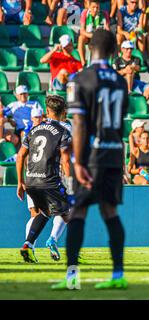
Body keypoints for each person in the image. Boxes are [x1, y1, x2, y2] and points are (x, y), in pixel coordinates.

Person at [52, 29, 129, 290]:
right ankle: (118, 275)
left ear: (90, 47)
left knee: (77, 212)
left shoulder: (80, 78)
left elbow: (80, 123)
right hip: (114, 153)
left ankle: (72, 278)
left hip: (91, 156)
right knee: (110, 212)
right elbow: (120, 123)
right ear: (113, 50)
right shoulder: (120, 81)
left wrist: (78, 161)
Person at [16, 95, 72, 264]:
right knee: (69, 211)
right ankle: (56, 242)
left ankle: (28, 245)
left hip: (31, 181)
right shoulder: (63, 132)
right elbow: (66, 160)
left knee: (45, 212)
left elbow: (20, 156)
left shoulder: (33, 130)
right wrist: (69, 185)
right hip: (49, 181)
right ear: (63, 112)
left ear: (47, 111)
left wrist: (20, 182)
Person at [78, 0, 111, 66]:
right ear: (89, 7)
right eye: (93, 7)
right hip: (89, 36)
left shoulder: (104, 14)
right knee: (81, 38)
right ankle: (83, 61)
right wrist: (92, 35)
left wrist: (106, 29)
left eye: (97, 7)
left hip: (100, 36)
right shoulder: (85, 13)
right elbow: (82, 30)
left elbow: (107, 29)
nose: (95, 9)